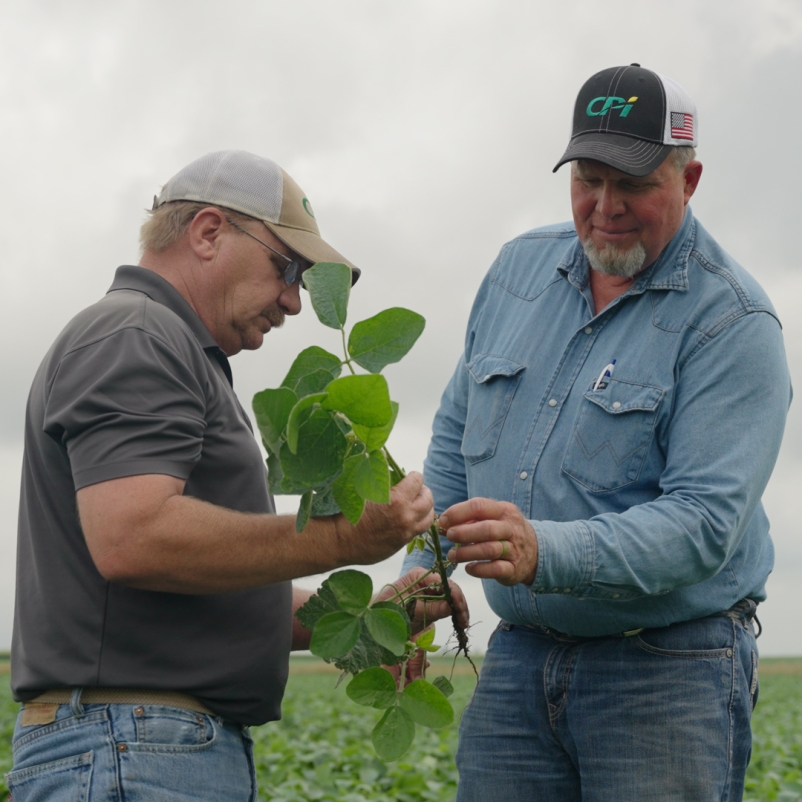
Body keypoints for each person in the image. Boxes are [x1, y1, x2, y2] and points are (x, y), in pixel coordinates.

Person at [9, 150, 466, 801]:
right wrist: (346, 540)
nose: (293, 301)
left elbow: (206, 588)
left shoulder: (166, 347)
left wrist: (368, 618)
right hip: (131, 744)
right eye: (287, 267)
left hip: (143, 744)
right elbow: (135, 539)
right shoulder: (136, 334)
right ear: (208, 231)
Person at [402, 64, 791, 801]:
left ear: (690, 177)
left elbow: (704, 523)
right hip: (517, 660)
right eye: (588, 178)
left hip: (664, 671)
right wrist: (426, 570)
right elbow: (457, 437)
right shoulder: (518, 270)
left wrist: (545, 550)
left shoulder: (732, 322)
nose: (605, 206)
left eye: (634, 183)